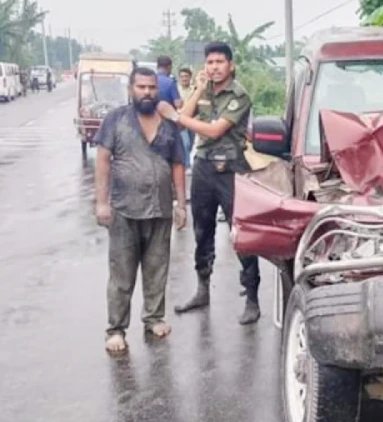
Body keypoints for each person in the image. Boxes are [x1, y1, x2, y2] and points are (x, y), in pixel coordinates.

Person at [156, 41, 262, 325]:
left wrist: (177, 116)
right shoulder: (204, 91)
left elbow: (215, 130)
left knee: (241, 234)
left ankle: (252, 297)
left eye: (220, 62)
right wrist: (199, 90)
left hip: (231, 169)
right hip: (203, 166)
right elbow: (183, 122)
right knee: (202, 230)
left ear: (231, 65)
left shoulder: (239, 95)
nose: (214, 67)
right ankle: (202, 290)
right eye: (210, 62)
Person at [94, 66, 187, 353]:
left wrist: (181, 204)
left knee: (157, 269)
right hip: (124, 209)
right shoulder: (115, 120)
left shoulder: (168, 124)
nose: (147, 92)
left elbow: (178, 165)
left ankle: (154, 318)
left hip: (159, 209)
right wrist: (101, 202)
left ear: (157, 90)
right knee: (122, 273)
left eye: (151, 88)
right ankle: (116, 329)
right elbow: (103, 160)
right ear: (131, 89)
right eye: (141, 87)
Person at [177, 67, 195, 169]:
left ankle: (186, 160)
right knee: (186, 143)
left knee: (191, 143)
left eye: (186, 76)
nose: (184, 78)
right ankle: (186, 165)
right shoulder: (176, 89)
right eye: (182, 76)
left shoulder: (194, 90)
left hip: (192, 120)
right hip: (180, 121)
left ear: (190, 77)